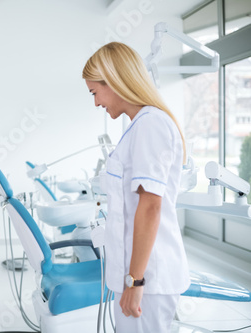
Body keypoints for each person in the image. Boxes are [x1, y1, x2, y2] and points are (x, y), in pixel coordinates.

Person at [82, 42, 191, 333]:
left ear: (115, 81)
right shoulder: (140, 124)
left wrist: (135, 281)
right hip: (139, 273)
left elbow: (150, 206)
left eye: (95, 93)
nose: (96, 103)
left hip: (149, 277)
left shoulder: (150, 125)